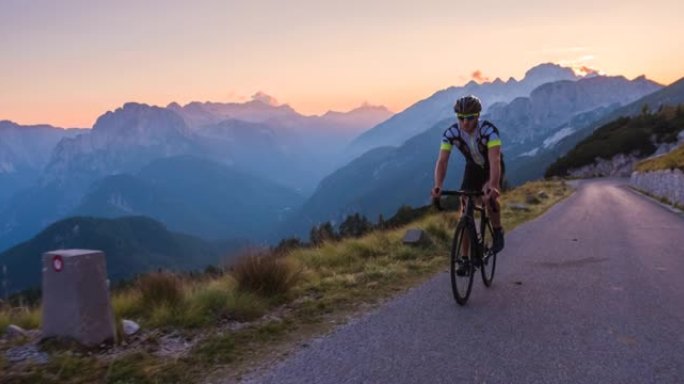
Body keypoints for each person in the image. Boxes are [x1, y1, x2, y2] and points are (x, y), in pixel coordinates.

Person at [431, 95, 505, 271]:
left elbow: (494, 160)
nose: (465, 122)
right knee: (464, 209)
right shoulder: (450, 133)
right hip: (472, 168)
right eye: (461, 118)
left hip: (491, 166)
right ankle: (465, 259)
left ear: (478, 116)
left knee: (489, 198)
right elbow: (442, 161)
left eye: (470, 117)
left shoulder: (489, 131)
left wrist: (493, 185)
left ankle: (497, 231)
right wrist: (438, 185)